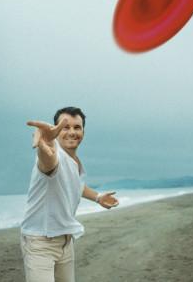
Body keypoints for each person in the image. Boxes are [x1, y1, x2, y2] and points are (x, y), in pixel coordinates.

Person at [20, 106, 119, 282]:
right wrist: (44, 145)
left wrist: (97, 197)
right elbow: (48, 161)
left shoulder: (73, 161)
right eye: (65, 127)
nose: (72, 132)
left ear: (83, 131)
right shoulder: (54, 155)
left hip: (66, 240)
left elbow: (76, 185)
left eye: (77, 127)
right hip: (40, 243)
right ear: (55, 131)